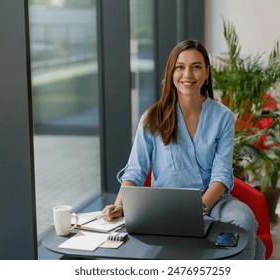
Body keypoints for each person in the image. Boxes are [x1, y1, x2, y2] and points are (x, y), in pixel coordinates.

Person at [102, 39, 266, 259]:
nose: (187, 74)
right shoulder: (152, 117)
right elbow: (135, 171)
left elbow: (222, 174)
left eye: (196, 66)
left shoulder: (223, 117)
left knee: (244, 220)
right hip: (163, 207)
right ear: (172, 72)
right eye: (180, 67)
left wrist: (199, 210)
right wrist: (118, 205)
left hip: (212, 203)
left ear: (206, 73)